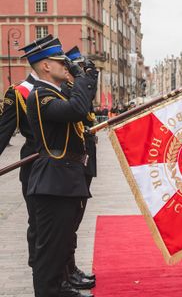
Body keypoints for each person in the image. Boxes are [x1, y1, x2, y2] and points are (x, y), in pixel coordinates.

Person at [23, 36, 97, 297]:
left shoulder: (55, 92)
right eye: (61, 62)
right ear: (45, 66)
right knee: (50, 252)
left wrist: (88, 79)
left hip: (65, 180)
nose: (67, 66)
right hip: (53, 181)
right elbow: (77, 108)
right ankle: (50, 292)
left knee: (62, 244)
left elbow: (83, 105)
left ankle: (60, 289)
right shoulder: (41, 96)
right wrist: (80, 77)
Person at [0, 34, 53, 273]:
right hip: (34, 167)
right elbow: (3, 133)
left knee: (63, 226)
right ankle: (40, 272)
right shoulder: (18, 92)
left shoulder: (61, 88)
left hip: (63, 168)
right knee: (39, 224)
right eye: (58, 60)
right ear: (44, 63)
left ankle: (64, 271)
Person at [62, 46, 98, 290]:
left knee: (74, 221)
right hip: (73, 163)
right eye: (79, 69)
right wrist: (83, 81)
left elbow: (88, 103)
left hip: (84, 161)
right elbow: (80, 110)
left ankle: (70, 269)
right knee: (68, 223)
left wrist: (89, 79)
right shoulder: (67, 92)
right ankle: (66, 272)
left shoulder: (76, 90)